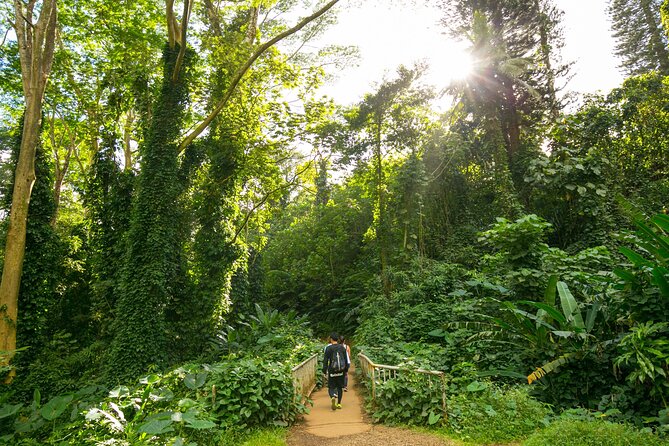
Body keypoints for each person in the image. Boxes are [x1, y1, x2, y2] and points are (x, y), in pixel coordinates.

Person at [322, 332, 349, 410]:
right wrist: (346, 370)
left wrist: (324, 370)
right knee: (340, 387)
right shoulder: (342, 348)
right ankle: (339, 403)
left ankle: (333, 397)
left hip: (332, 370)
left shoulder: (328, 348)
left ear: (331, 339)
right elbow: (345, 359)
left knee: (331, 387)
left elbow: (325, 360)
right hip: (341, 370)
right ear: (338, 339)